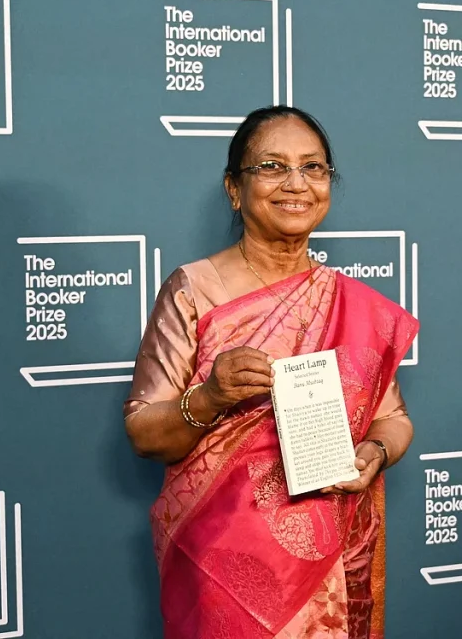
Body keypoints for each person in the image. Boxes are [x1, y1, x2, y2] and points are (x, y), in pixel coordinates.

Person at [123, 106, 419, 639]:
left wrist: (373, 454)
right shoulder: (195, 290)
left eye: (313, 167)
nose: (296, 183)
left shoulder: (354, 304)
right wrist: (210, 397)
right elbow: (144, 432)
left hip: (330, 564)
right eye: (272, 166)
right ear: (234, 189)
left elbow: (393, 420)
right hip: (225, 567)